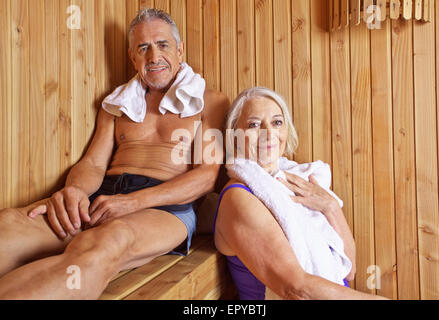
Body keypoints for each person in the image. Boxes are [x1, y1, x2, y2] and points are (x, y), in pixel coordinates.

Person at [0, 8, 229, 299]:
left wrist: (131, 203)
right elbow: (94, 163)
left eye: (163, 45)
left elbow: (207, 177)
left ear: (180, 50)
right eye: (143, 48)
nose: (154, 57)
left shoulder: (211, 100)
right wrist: (75, 191)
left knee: (106, 242)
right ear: (133, 57)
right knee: (10, 224)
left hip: (164, 207)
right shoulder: (118, 103)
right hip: (105, 196)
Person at [213, 87, 385, 300]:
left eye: (277, 122)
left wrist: (329, 207)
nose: (269, 133)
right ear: (235, 136)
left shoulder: (294, 181)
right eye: (254, 125)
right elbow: (295, 288)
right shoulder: (239, 198)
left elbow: (348, 269)